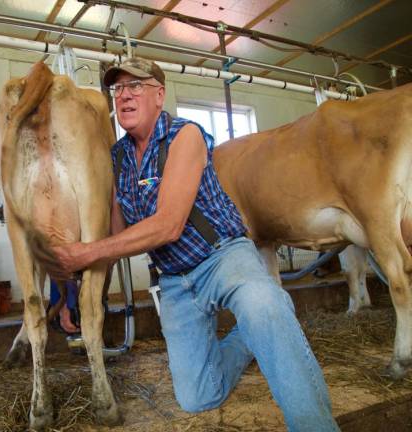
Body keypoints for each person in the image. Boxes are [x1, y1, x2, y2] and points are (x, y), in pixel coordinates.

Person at [40, 57, 340, 431]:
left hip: (223, 258)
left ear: (159, 95)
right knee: (198, 396)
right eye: (118, 89)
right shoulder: (116, 158)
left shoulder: (185, 135)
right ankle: (254, 334)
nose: (124, 96)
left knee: (262, 305)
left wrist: (85, 253)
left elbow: (168, 225)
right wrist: (68, 289)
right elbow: (112, 235)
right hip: (175, 281)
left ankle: (313, 420)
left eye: (136, 86)